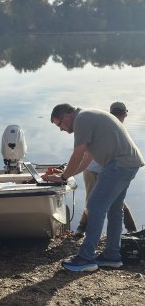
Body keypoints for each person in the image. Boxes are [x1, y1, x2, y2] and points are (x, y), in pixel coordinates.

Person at [43, 103, 144, 272]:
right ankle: (112, 256)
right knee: (114, 209)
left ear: (66, 116)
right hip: (129, 163)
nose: (61, 129)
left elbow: (78, 153)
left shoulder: (82, 119)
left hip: (118, 164)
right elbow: (87, 158)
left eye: (59, 124)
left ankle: (86, 258)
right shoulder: (89, 116)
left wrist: (63, 177)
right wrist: (67, 173)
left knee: (95, 206)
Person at [75, 102, 137, 238]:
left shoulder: (120, 130)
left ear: (125, 114)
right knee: (91, 201)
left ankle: (132, 230)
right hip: (92, 169)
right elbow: (87, 149)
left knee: (117, 202)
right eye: (117, 113)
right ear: (112, 113)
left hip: (110, 171)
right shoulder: (107, 125)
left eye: (121, 114)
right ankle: (82, 229)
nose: (120, 116)